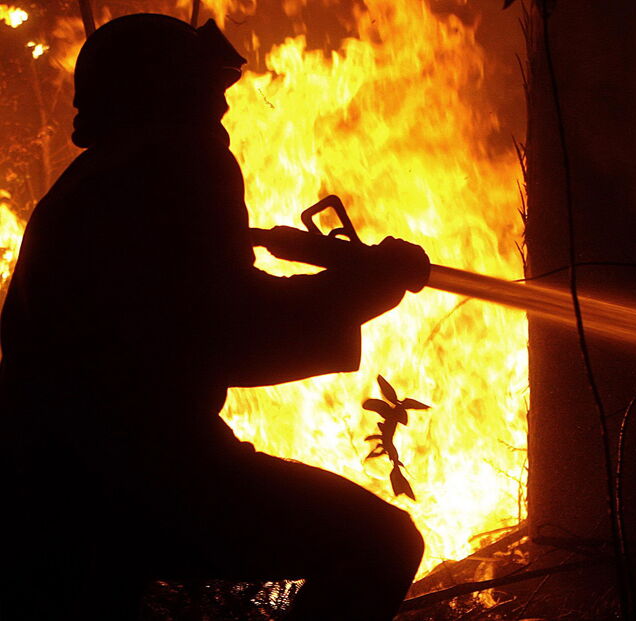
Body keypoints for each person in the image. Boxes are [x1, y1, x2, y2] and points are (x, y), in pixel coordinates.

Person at [0, 13, 427, 620]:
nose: (221, 112)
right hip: (135, 470)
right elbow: (229, 331)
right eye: (206, 92)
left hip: (47, 470)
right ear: (167, 92)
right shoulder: (174, 166)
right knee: (380, 542)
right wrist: (363, 289)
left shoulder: (92, 182)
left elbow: (190, 308)